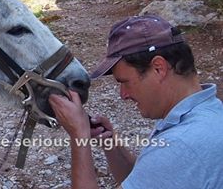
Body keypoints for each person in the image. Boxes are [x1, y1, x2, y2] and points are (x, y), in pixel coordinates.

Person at [49, 15, 223, 188]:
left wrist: (79, 136)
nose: (123, 95)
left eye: (125, 82)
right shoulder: (207, 114)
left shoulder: (180, 146)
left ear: (158, 68)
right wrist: (111, 145)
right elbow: (146, 180)